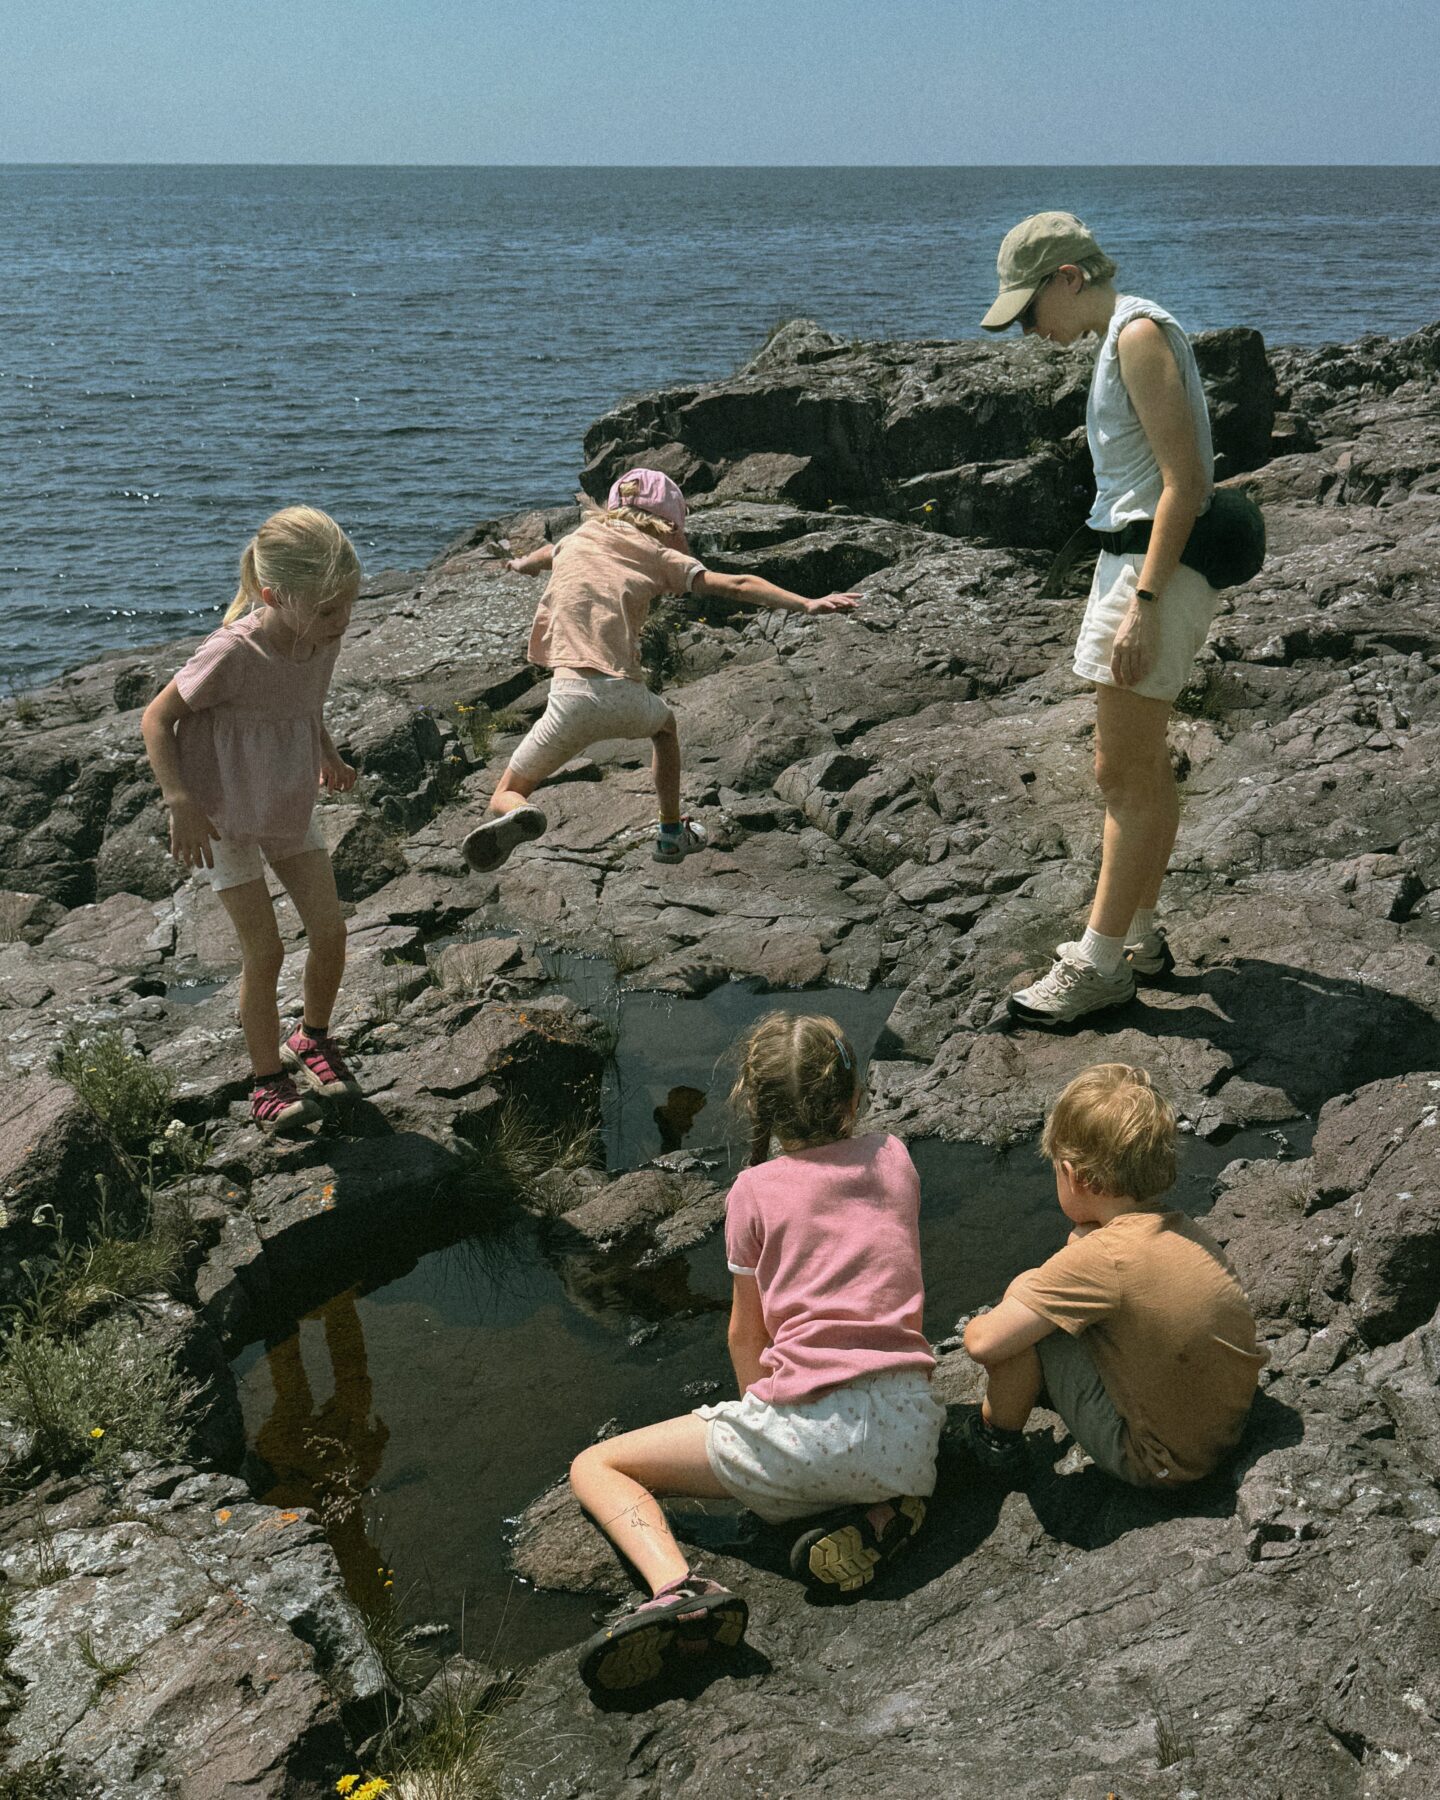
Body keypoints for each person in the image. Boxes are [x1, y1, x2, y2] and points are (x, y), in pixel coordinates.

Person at [568, 1011, 946, 1695]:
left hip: (807, 1442)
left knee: (597, 1464)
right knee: (836, 1465)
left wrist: (760, 1425)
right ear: (853, 1097)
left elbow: (747, 1335)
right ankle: (879, 1515)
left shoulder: (752, 1192)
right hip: (913, 1436)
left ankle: (676, 1589)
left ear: (754, 1102)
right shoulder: (895, 1156)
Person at [981, 212, 1219, 1026]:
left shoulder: (1139, 335)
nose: (1027, 331)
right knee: (1142, 769)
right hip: (1140, 560)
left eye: (1027, 309)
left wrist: (1143, 607)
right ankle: (1141, 936)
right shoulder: (1131, 331)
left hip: (1153, 566)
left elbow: (1185, 482)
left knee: (1119, 775)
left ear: (1069, 278)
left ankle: (1099, 964)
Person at [460, 469, 859, 874]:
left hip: (567, 701)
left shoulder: (572, 541)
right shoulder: (656, 555)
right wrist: (807, 602)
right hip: (624, 696)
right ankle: (670, 833)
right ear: (669, 523)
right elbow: (737, 584)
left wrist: (520, 564)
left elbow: (544, 555)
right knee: (665, 729)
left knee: (505, 791)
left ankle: (521, 813)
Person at [141, 506, 363, 1129]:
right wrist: (179, 802)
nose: (340, 620)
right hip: (223, 814)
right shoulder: (231, 651)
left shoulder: (323, 636)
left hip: (287, 797)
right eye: (326, 609)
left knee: (330, 930)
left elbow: (305, 702)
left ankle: (311, 1037)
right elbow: (156, 720)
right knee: (263, 952)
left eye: (347, 604)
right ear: (273, 594)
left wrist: (328, 752)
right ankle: (267, 1078)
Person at [962, 1063, 1265, 1488]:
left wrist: (994, 1311)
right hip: (1225, 1428)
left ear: (1075, 1175)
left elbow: (983, 1344)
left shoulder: (1102, 1258)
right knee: (1043, 1301)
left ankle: (995, 1441)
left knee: (1025, 1305)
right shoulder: (1182, 1228)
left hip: (1157, 1460)